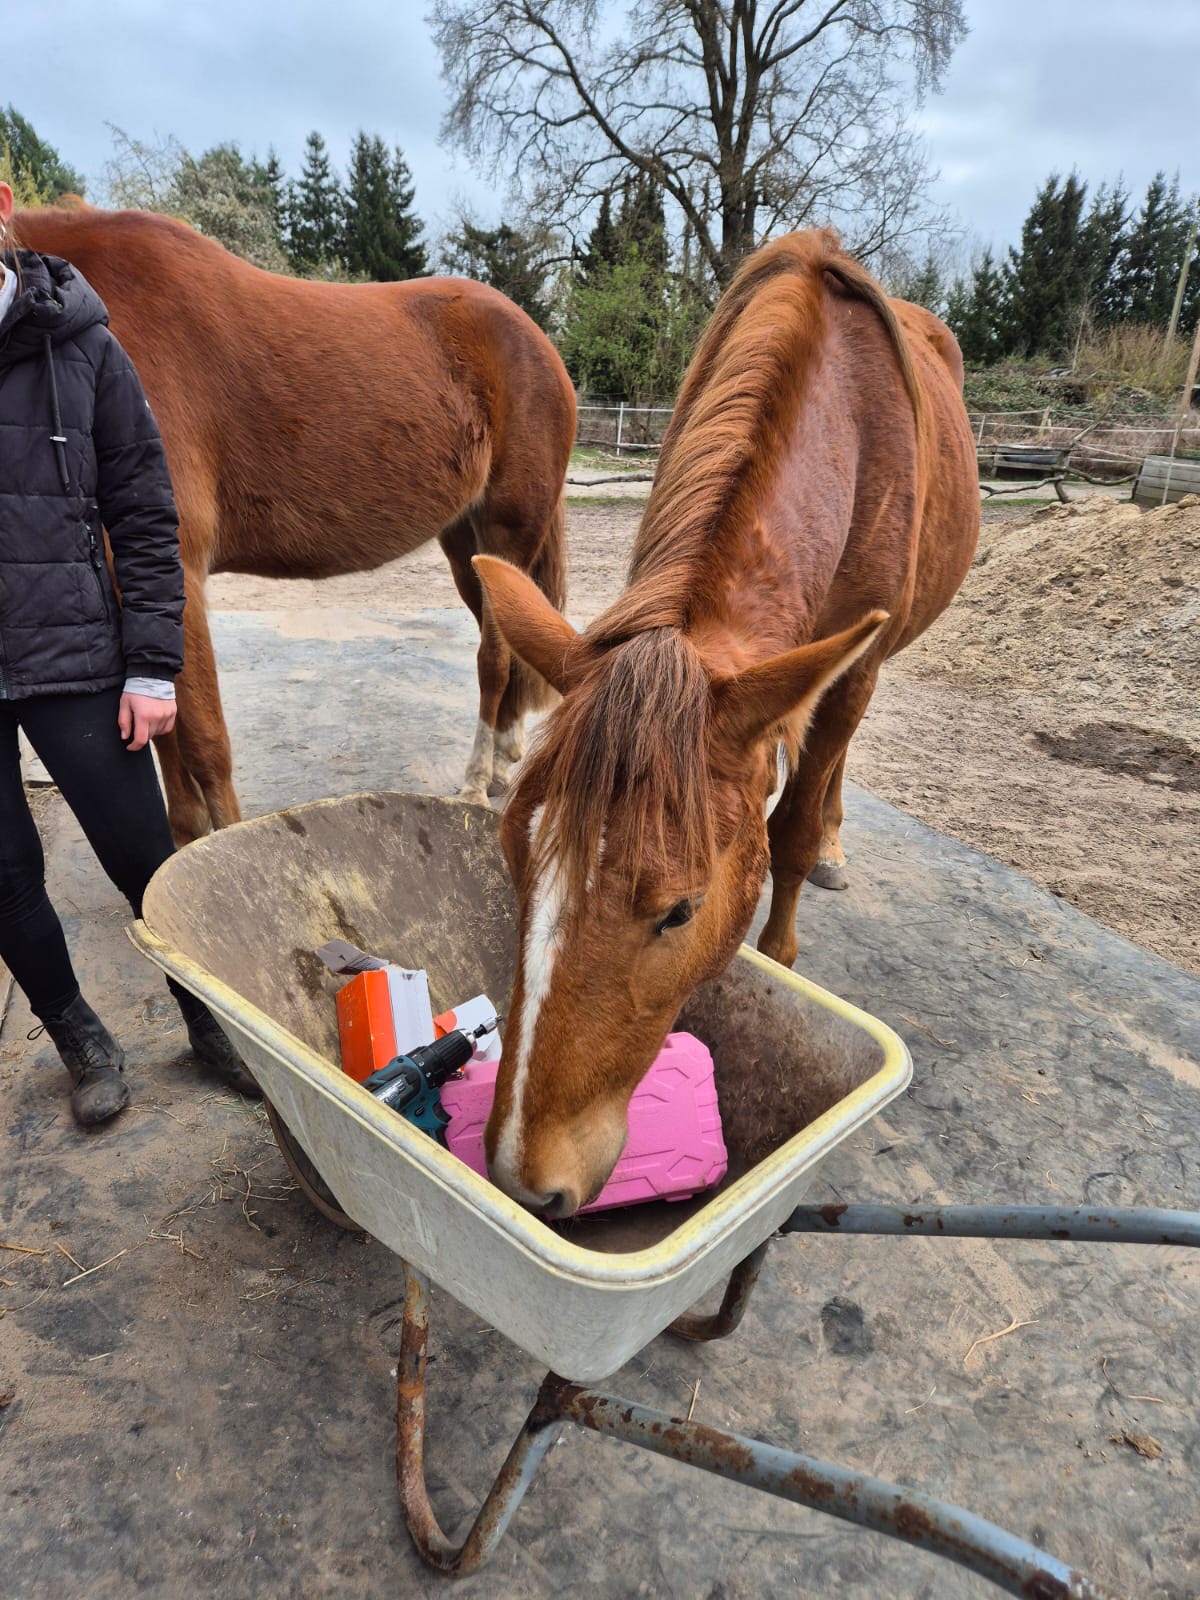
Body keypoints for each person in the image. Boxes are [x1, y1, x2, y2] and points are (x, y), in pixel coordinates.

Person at [0, 181, 258, 1126]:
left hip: (69, 648)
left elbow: (146, 516)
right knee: (5, 877)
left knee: (144, 854)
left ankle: (210, 1021)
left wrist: (153, 666)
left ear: (2, 203)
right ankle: (79, 1036)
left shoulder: (84, 347)